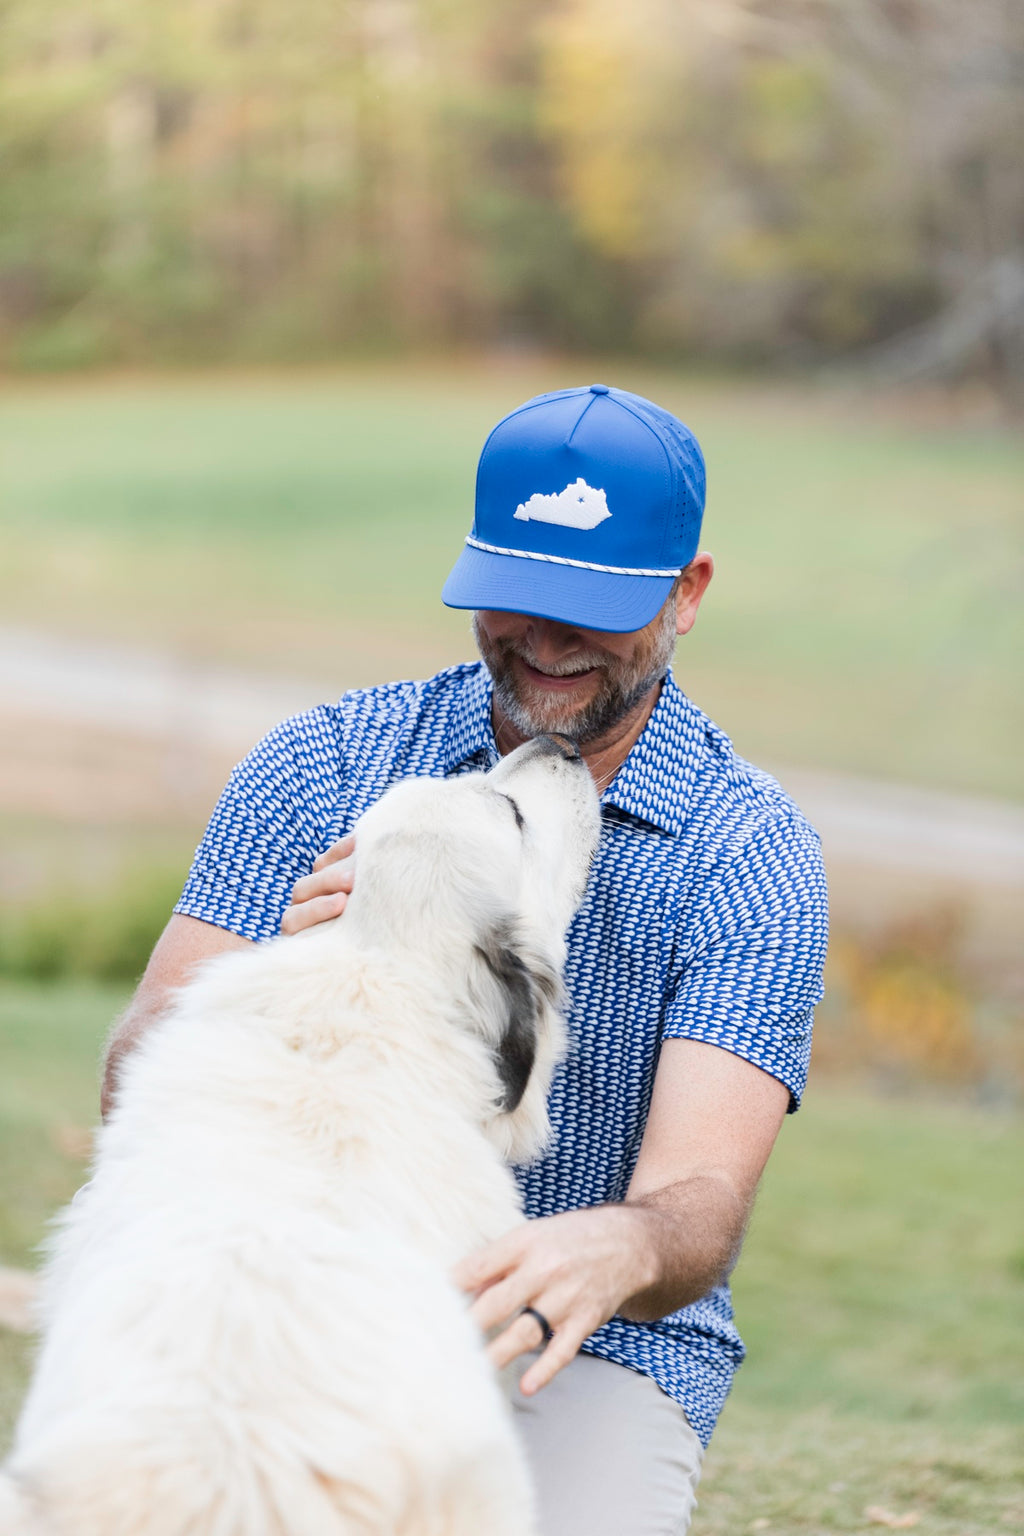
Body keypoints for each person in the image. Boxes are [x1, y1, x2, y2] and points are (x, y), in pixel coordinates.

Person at [102, 383, 829, 1536]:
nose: (544, 642)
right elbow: (132, 1085)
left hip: (576, 1343)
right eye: (515, 598)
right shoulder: (323, 763)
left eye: (590, 608)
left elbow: (698, 1206)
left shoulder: (751, 854)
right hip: (297, 1291)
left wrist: (619, 1244)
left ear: (686, 594)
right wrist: (276, 982)